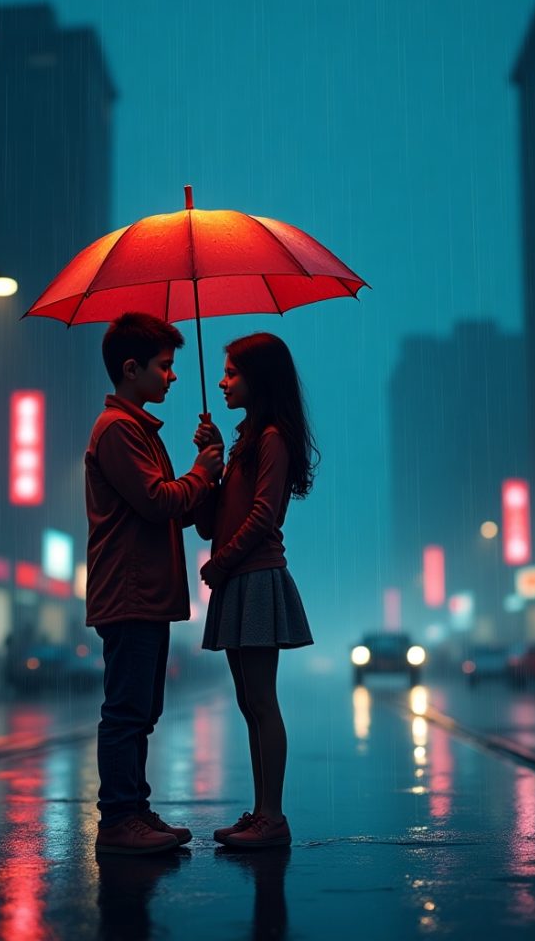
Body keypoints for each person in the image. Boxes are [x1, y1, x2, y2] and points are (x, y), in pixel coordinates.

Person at [85, 311, 224, 856]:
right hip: (129, 591)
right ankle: (119, 819)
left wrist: (205, 466)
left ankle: (135, 810)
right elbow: (157, 501)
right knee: (126, 710)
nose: (172, 377)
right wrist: (200, 472)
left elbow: (177, 508)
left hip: (147, 591)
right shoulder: (119, 431)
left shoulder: (138, 429)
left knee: (143, 709)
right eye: (164, 367)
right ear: (130, 368)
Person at [194, 332, 316, 849]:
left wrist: (220, 564)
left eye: (231, 373)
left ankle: (273, 815)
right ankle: (262, 810)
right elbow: (208, 525)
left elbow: (264, 516)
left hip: (257, 577)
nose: (222, 382)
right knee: (249, 702)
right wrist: (208, 461)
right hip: (237, 579)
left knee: (262, 701)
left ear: (258, 380)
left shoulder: (271, 438)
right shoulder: (245, 440)